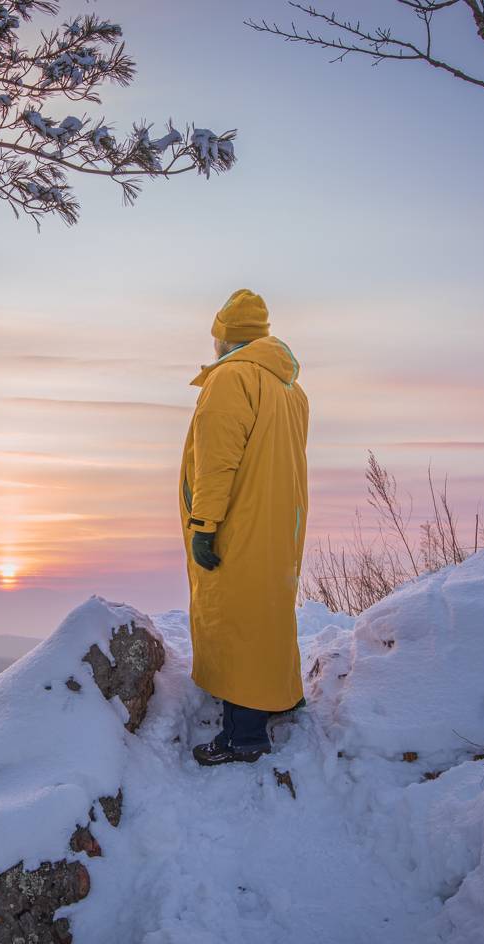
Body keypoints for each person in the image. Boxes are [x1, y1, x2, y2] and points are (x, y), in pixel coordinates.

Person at [179, 289, 310, 766]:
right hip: (281, 520)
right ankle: (282, 695)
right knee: (270, 610)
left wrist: (205, 525)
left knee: (236, 619)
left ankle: (243, 735)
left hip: (241, 520)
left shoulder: (231, 379)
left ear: (224, 338)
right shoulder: (289, 388)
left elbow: (216, 463)